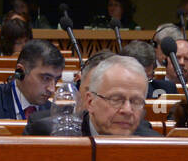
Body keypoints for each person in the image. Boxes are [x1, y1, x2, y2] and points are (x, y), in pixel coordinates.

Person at [28, 54, 158, 137]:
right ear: (90, 102)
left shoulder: (156, 146)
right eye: (116, 99)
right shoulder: (46, 134)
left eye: (136, 101)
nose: (127, 110)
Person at [0, 39, 63, 119]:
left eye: (56, 80)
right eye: (46, 78)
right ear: (20, 72)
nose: (52, 89)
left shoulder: (54, 113)